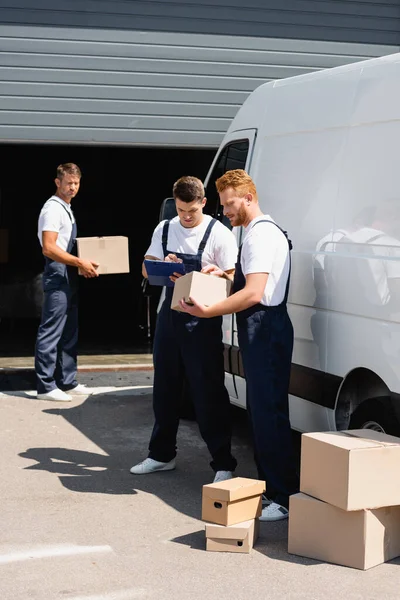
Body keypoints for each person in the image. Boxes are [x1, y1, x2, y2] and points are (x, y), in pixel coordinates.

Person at [179, 169, 299, 521]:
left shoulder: (260, 236)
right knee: (264, 412)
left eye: (230, 204)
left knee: (268, 414)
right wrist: (225, 274)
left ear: (248, 198)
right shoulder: (260, 231)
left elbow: (254, 292)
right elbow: (249, 280)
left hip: (266, 329)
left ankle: (283, 496)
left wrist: (209, 310)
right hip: (267, 328)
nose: (225, 211)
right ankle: (274, 489)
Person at [130, 176, 238, 483]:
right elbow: (145, 267)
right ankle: (161, 455)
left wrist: (216, 274)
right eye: (180, 210)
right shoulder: (164, 228)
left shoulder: (219, 233)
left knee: (208, 391)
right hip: (170, 316)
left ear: (204, 203)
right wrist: (162, 263)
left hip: (203, 320)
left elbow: (232, 278)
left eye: (191, 210)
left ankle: (223, 463)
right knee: (164, 387)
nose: (186, 217)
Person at [35, 163, 99, 402]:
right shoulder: (52, 209)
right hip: (57, 272)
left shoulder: (67, 208)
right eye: (68, 183)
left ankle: (67, 381)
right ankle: (45, 386)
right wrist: (79, 262)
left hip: (69, 273)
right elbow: (49, 247)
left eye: (76, 183)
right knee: (51, 330)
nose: (72, 187)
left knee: (69, 330)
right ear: (57, 182)